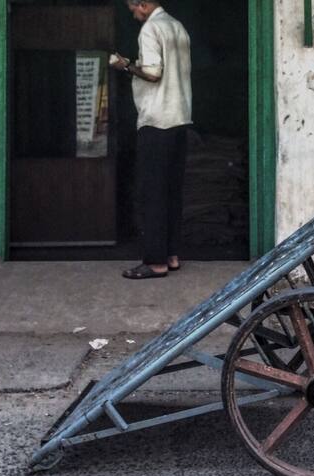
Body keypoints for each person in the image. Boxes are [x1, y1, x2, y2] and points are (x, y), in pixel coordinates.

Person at [110, 0, 192, 280]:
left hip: (157, 121)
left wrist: (125, 66)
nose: (133, 15)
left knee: (152, 193)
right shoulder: (177, 27)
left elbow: (154, 73)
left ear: (142, 4)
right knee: (171, 191)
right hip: (180, 118)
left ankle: (155, 262)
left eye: (133, 9)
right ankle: (171, 255)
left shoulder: (150, 29)